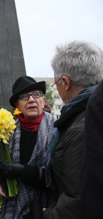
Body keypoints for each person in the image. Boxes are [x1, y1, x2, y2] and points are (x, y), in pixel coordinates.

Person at [43, 40, 103, 219]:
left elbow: (78, 200)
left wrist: (47, 215)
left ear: (65, 82)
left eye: (56, 85)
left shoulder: (84, 126)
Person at [0, 76, 55, 219]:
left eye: (36, 94)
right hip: (16, 208)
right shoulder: (9, 131)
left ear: (43, 100)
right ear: (17, 105)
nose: (31, 99)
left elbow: (58, 175)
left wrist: (23, 171)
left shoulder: (57, 129)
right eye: (24, 96)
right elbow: (2, 163)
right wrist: (1, 178)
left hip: (49, 206)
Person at [78, 43, 103, 219]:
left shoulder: (96, 102)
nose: (32, 100)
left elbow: (92, 180)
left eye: (37, 94)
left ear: (65, 82)